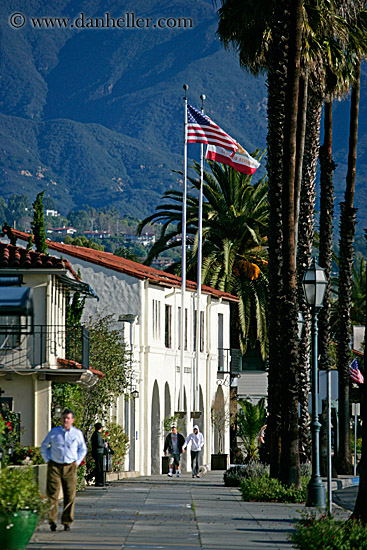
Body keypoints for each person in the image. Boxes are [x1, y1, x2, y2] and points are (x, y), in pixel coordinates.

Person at [41, 408, 87, 532]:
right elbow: (44, 447)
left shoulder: (77, 434)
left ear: (72, 420)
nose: (66, 420)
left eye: (68, 418)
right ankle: (52, 521)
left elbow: (83, 449)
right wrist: (47, 460)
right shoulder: (54, 432)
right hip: (55, 465)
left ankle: (67, 521)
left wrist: (77, 462)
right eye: (64, 418)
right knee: (52, 494)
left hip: (70, 466)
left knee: (70, 494)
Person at [88, 422, 107, 487]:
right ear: (100, 428)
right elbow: (99, 444)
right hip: (98, 452)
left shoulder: (95, 434)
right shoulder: (97, 435)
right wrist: (104, 445)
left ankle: (95, 479)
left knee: (98, 467)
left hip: (96, 452)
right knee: (99, 467)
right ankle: (97, 481)